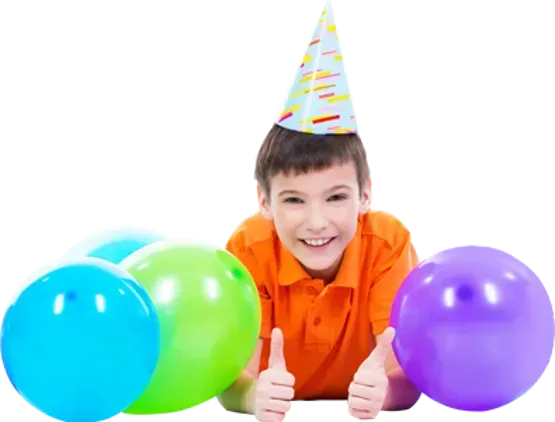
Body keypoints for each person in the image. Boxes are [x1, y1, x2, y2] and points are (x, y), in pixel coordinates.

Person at [218, 2, 421, 420]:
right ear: (263, 201)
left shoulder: (387, 244)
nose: (316, 222)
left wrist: (385, 395)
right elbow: (232, 383)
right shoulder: (248, 250)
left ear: (366, 195)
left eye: (336, 197)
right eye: (294, 200)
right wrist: (252, 396)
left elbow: (406, 376)